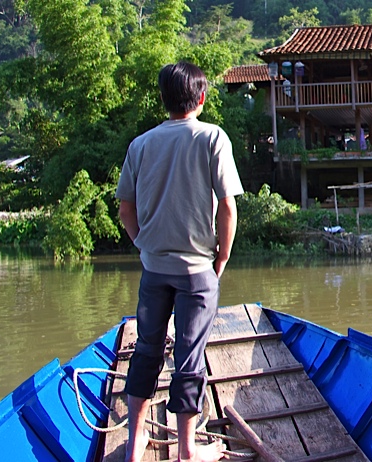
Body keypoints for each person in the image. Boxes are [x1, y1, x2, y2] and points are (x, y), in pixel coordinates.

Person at [116, 61, 243, 462]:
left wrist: (144, 247)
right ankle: (188, 449)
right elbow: (226, 207)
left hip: (154, 269)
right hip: (196, 272)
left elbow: (125, 210)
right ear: (201, 99)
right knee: (189, 357)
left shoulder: (140, 145)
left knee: (147, 350)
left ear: (162, 99)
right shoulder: (212, 137)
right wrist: (222, 254)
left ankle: (136, 444)